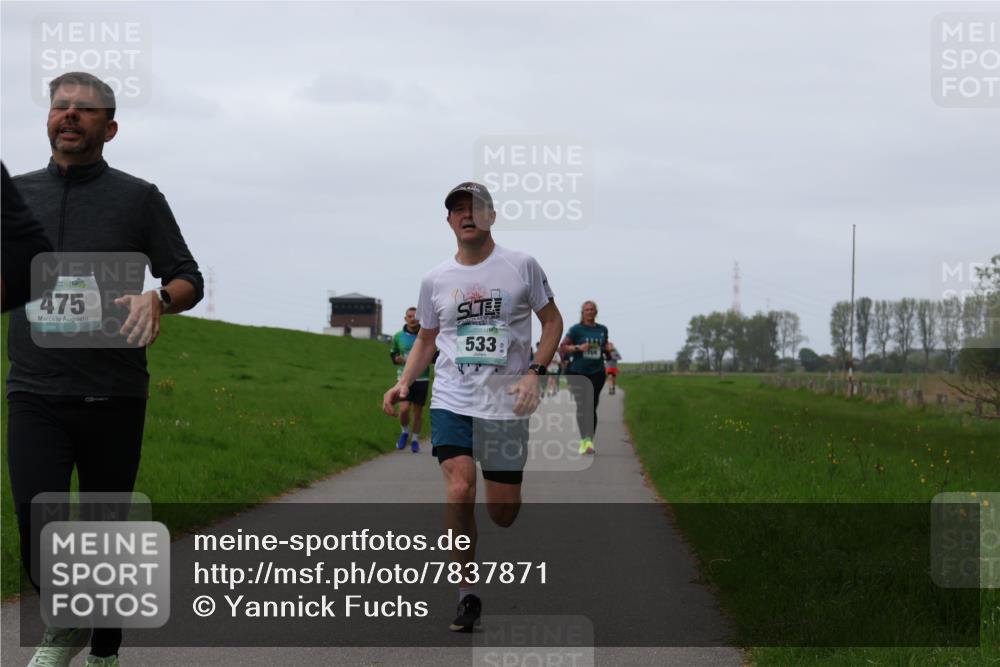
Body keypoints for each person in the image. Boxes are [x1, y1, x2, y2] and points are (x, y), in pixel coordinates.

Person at [8, 72, 203, 667]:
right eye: (60, 107)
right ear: (47, 120)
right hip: (33, 387)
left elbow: (187, 277)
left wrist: (158, 299)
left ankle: (106, 649)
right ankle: (67, 622)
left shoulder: (139, 198)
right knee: (34, 520)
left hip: (113, 392)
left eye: (84, 110)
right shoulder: (13, 196)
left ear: (109, 127)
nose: (69, 115)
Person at [382, 181, 562, 632]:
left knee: (502, 515)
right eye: (458, 210)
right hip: (452, 399)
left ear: (491, 217)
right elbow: (425, 338)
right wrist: (404, 381)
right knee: (460, 488)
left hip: (504, 405)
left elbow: (553, 321)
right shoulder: (436, 280)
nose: (466, 215)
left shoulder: (522, 267)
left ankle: (500, 496)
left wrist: (534, 372)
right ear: (448, 221)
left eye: (475, 208)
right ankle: (466, 594)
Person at [559, 301, 612, 455]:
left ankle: (589, 440)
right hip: (578, 372)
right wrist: (578, 348)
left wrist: (609, 348)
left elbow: (606, 351)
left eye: (592, 309)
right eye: (586, 309)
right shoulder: (576, 330)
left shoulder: (602, 329)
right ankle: (585, 441)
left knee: (592, 405)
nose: (589, 312)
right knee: (583, 406)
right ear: (582, 312)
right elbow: (563, 347)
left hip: (597, 372)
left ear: (596, 312)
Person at [389, 307, 429, 453]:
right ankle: (405, 431)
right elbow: (393, 354)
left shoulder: (426, 335)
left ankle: (415, 439)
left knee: (418, 412)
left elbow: (434, 355)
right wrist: (397, 359)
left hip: (422, 378)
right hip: (404, 379)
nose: (413, 319)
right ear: (405, 318)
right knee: (404, 409)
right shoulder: (398, 336)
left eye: (416, 316)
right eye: (410, 316)